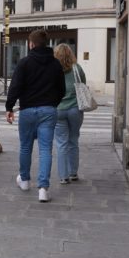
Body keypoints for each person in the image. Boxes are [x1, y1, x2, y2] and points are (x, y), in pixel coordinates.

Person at [5, 29, 65, 203]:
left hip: (27, 111)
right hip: (48, 110)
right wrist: (52, 102)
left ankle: (24, 180)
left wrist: (10, 107)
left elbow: (15, 86)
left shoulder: (24, 63)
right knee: (45, 149)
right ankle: (43, 189)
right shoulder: (55, 64)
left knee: (25, 146)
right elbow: (62, 89)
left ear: (31, 44)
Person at [53, 44, 86, 185]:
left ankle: (63, 176)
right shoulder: (77, 68)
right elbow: (83, 85)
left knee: (61, 143)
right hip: (75, 109)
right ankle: (73, 173)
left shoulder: (53, 69)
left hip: (58, 109)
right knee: (73, 140)